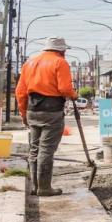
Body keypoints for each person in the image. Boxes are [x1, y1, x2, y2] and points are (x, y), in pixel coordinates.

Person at [15, 37, 78, 195]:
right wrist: (73, 95)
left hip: (32, 110)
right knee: (46, 150)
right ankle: (44, 188)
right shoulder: (60, 62)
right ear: (61, 50)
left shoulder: (29, 63)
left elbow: (20, 92)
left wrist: (23, 114)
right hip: (52, 112)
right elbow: (64, 88)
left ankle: (35, 187)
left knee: (34, 149)